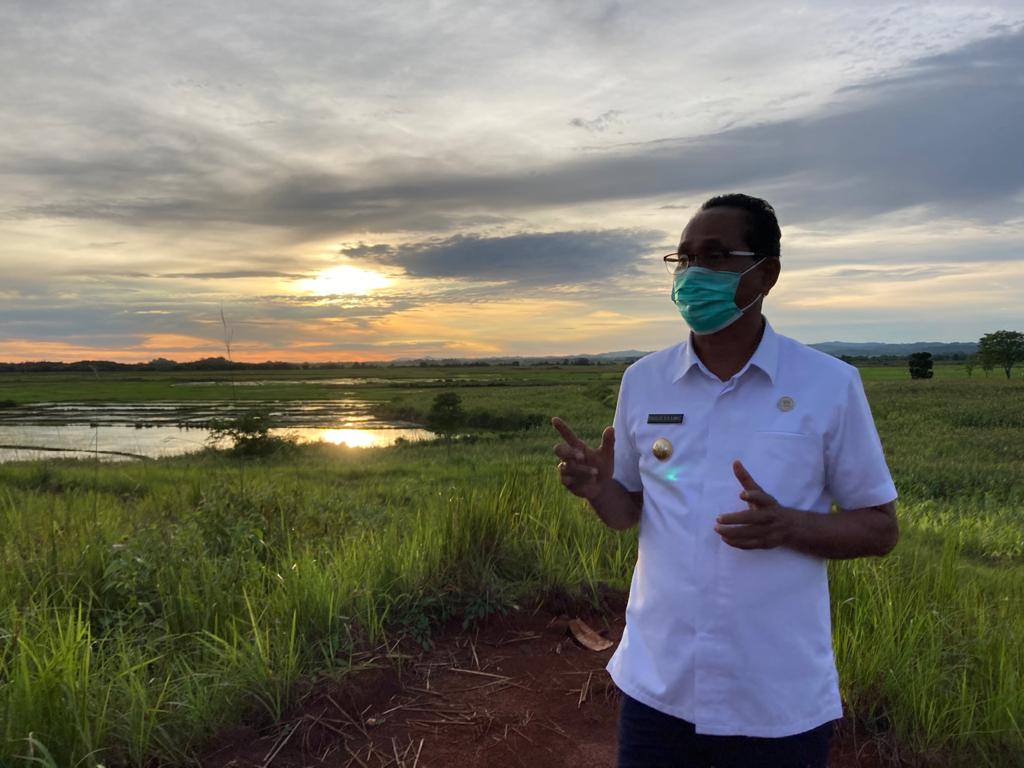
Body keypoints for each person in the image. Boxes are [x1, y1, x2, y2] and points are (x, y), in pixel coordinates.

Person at [551, 193, 898, 768]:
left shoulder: (829, 385)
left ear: (767, 274)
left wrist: (790, 526)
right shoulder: (644, 381)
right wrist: (598, 489)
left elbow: (881, 529)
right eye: (683, 258)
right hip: (658, 686)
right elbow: (626, 512)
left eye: (714, 256)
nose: (693, 273)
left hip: (774, 695)